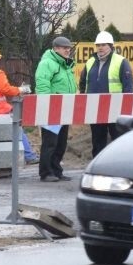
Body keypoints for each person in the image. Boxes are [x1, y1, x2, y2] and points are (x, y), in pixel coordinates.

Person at [79, 30, 133, 158]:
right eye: (98, 45)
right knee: (97, 141)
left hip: (116, 109)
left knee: (118, 140)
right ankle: (98, 165)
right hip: (95, 109)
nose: (100, 48)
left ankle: (119, 165)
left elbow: (128, 87)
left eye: (103, 45)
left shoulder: (121, 62)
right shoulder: (90, 62)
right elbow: (83, 82)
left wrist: (126, 110)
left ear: (110, 46)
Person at [34, 36, 77, 182]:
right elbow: (42, 84)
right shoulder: (47, 63)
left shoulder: (65, 65)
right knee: (50, 142)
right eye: (65, 48)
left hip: (64, 108)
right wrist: (46, 104)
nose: (67, 50)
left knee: (61, 142)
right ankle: (46, 172)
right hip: (52, 109)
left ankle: (56, 170)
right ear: (56, 48)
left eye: (69, 48)